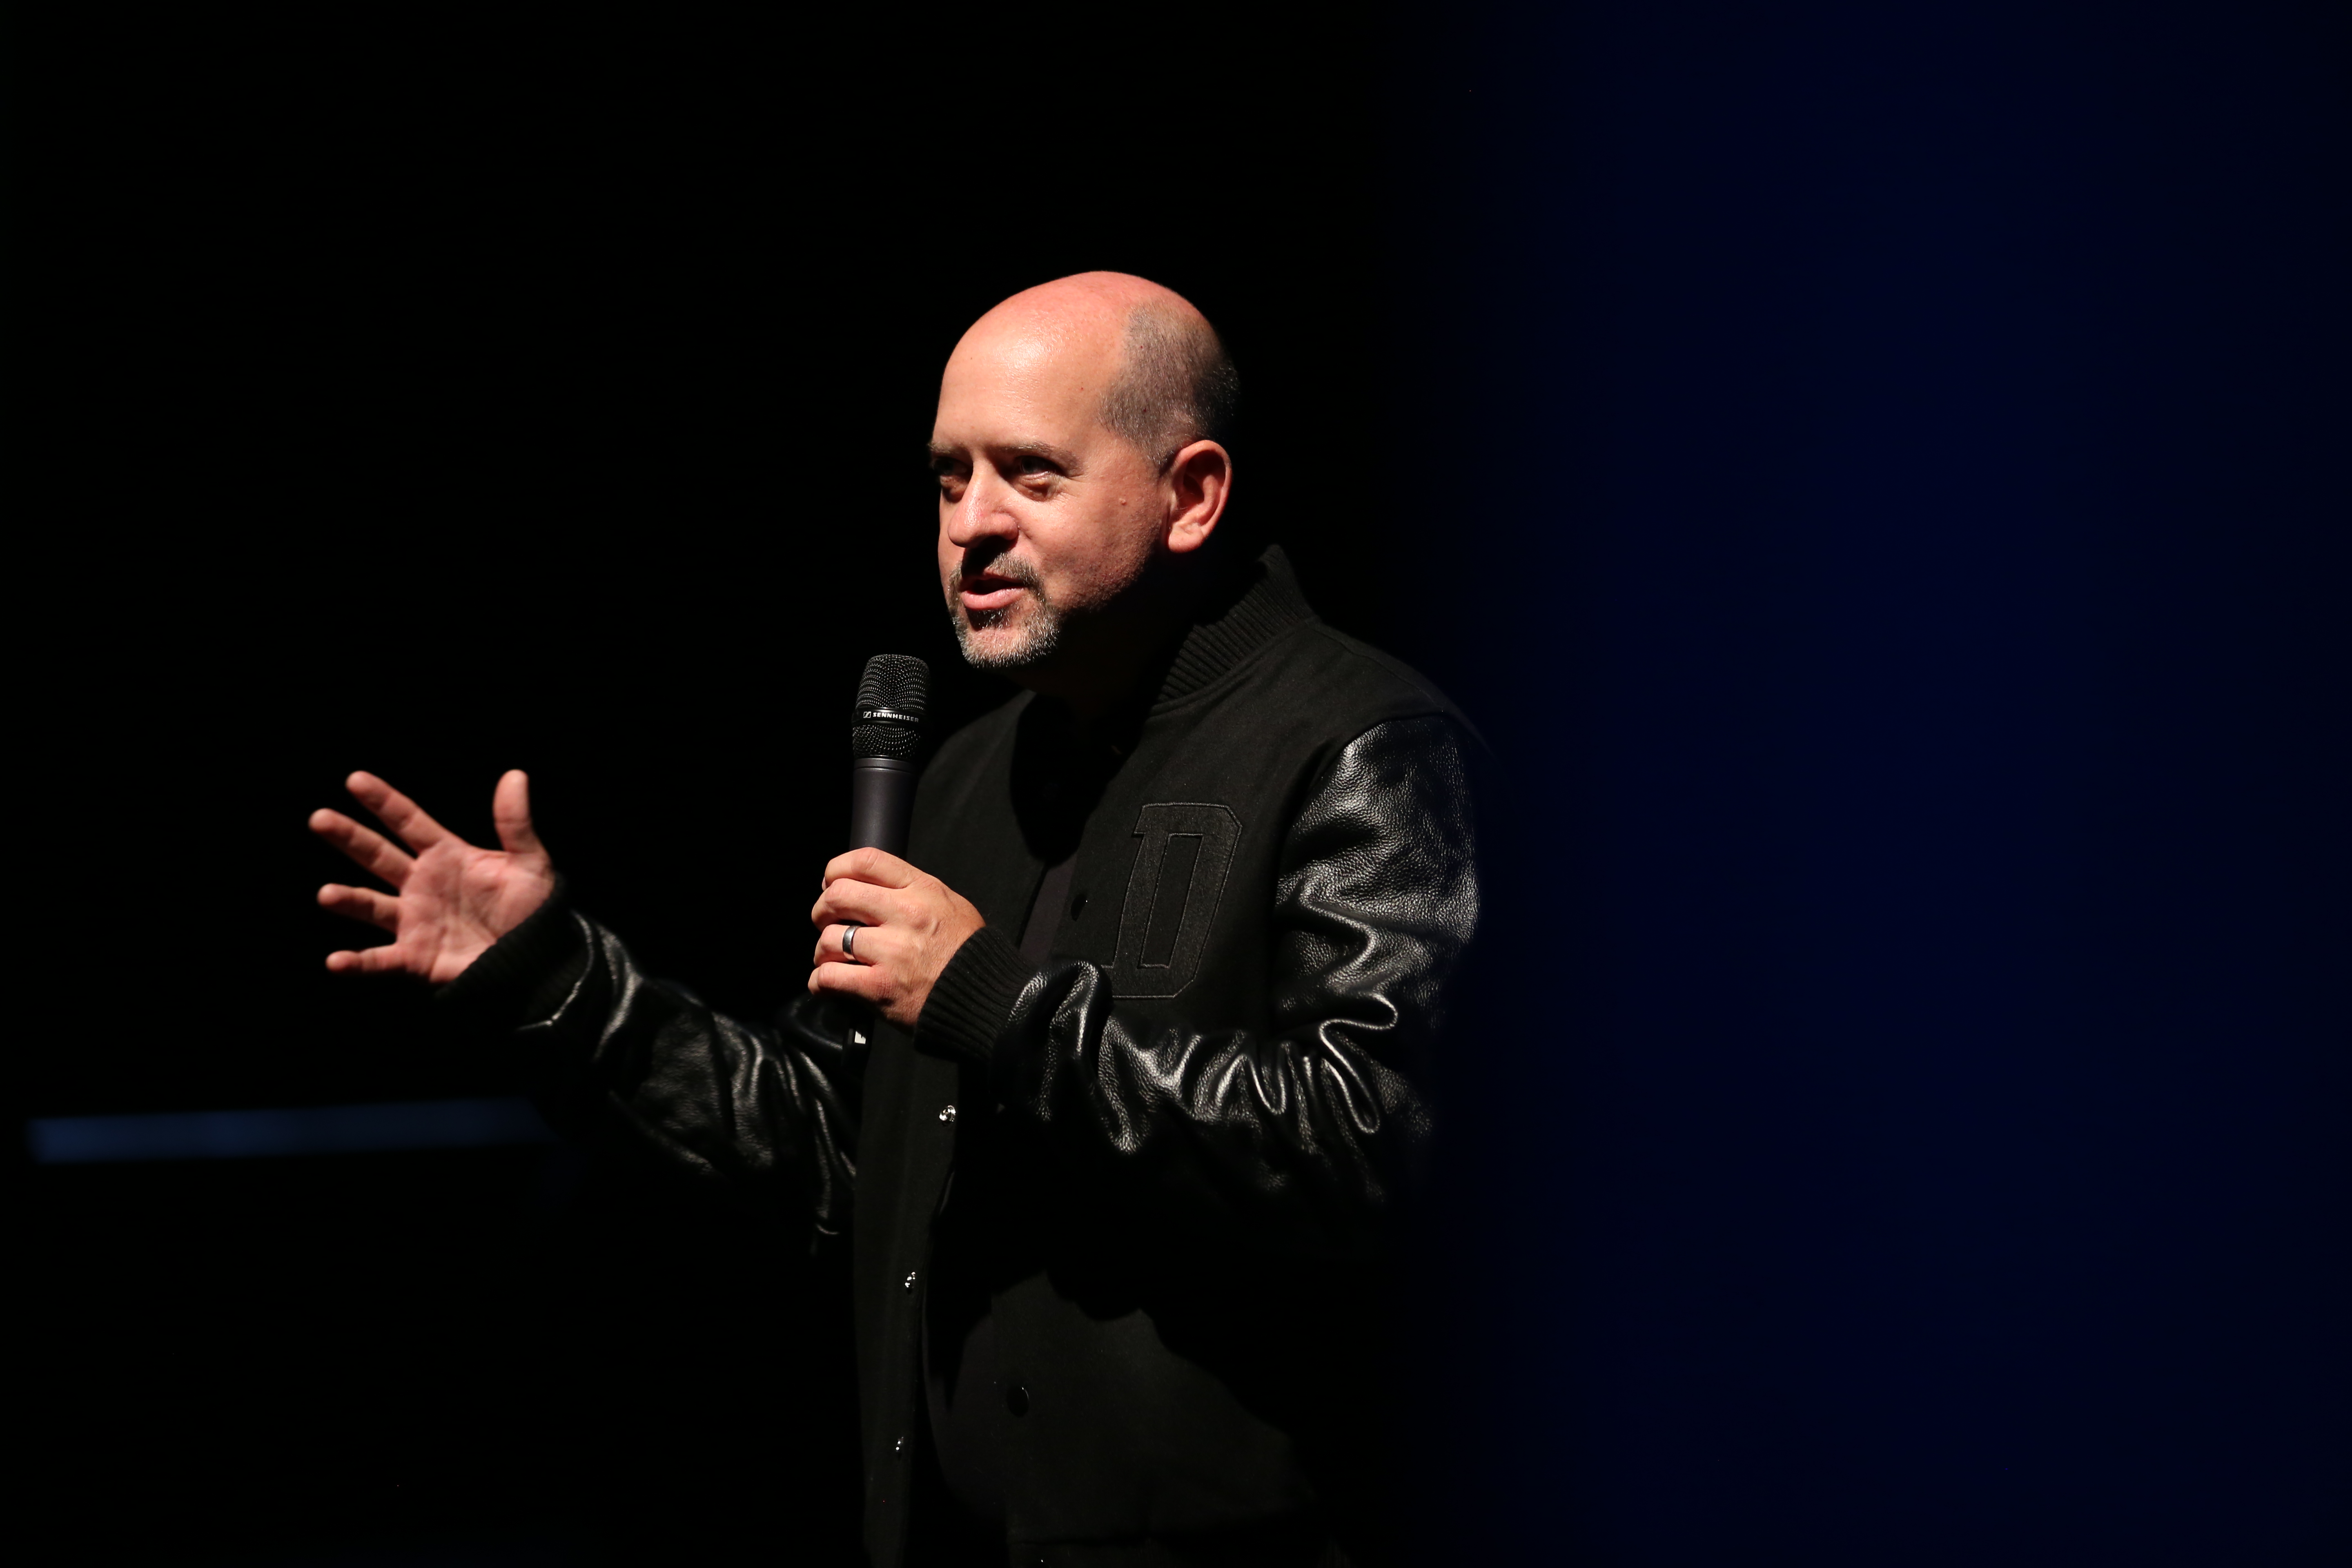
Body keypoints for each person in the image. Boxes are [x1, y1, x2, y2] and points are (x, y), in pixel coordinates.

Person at [310, 272, 1486, 1568]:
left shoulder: (1360, 744)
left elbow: (1377, 1148)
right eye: (947, 478)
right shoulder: (965, 778)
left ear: (1191, 495)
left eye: (1030, 474)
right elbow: (838, 1152)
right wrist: (560, 984)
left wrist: (994, 1004)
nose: (971, 525)